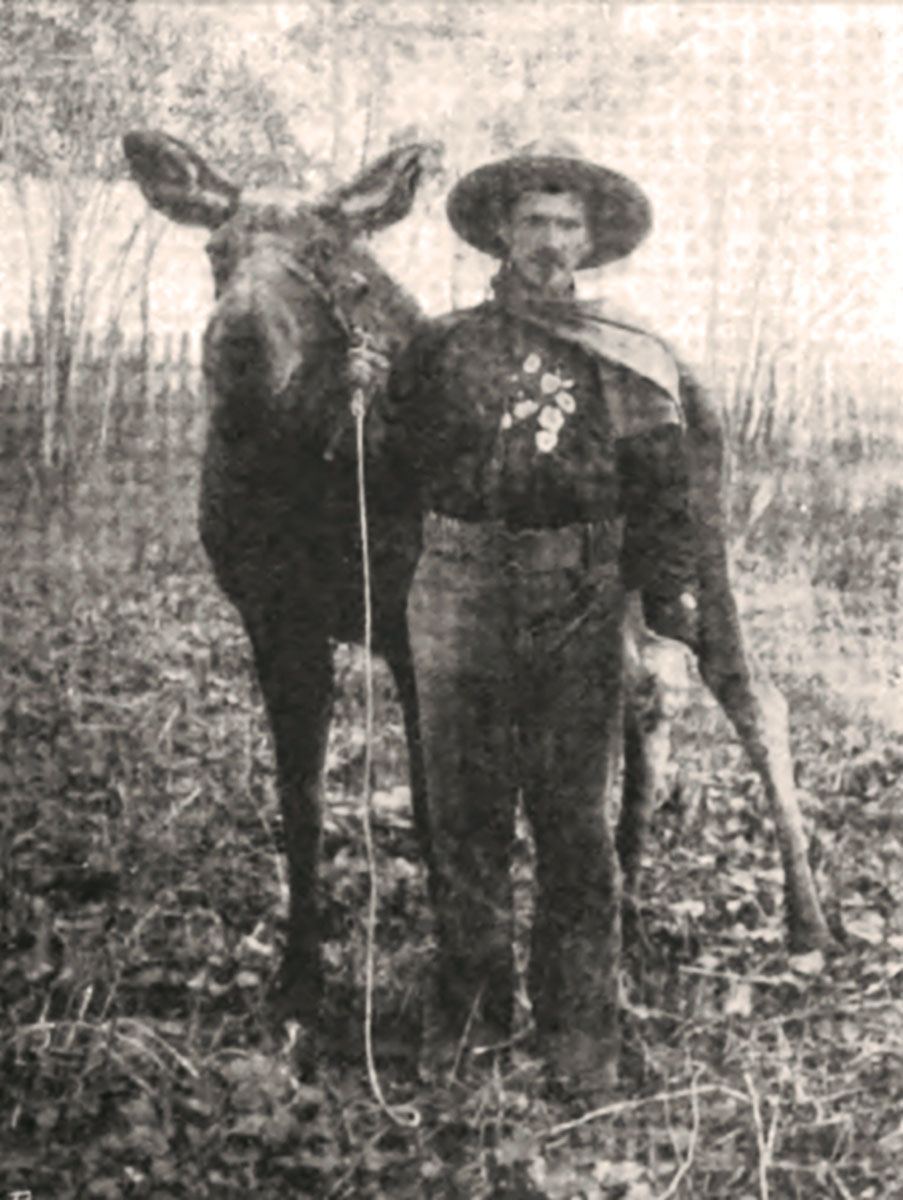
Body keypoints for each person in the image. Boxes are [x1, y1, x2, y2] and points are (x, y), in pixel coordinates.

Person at [377, 139, 699, 1099]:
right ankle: (470, 1017)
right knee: (463, 817)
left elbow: (665, 503)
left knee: (571, 824)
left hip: (580, 600)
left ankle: (578, 1033)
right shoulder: (438, 348)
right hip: (458, 592)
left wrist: (669, 633)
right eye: (532, 223)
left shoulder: (629, 358)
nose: (548, 241)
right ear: (500, 235)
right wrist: (358, 404)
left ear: (590, 240)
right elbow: (387, 472)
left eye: (567, 225)